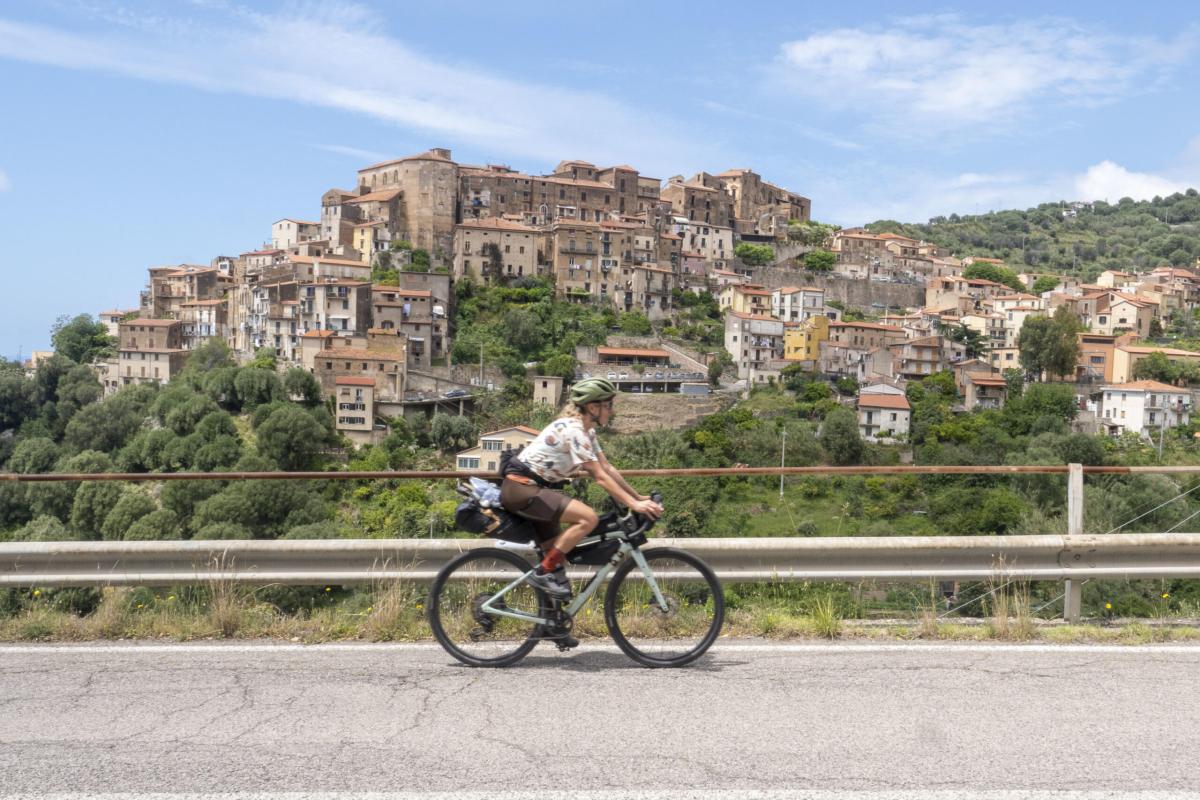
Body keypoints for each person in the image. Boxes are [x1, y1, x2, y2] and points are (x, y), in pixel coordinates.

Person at [500, 377, 662, 600]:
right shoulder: (574, 430)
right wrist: (634, 504)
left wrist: (637, 497)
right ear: (593, 407)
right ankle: (540, 573)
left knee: (557, 574)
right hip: (522, 489)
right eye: (609, 406)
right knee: (588, 518)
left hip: (533, 491)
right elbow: (599, 476)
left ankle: (553, 625)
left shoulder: (588, 433)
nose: (612, 412)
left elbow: (607, 469)